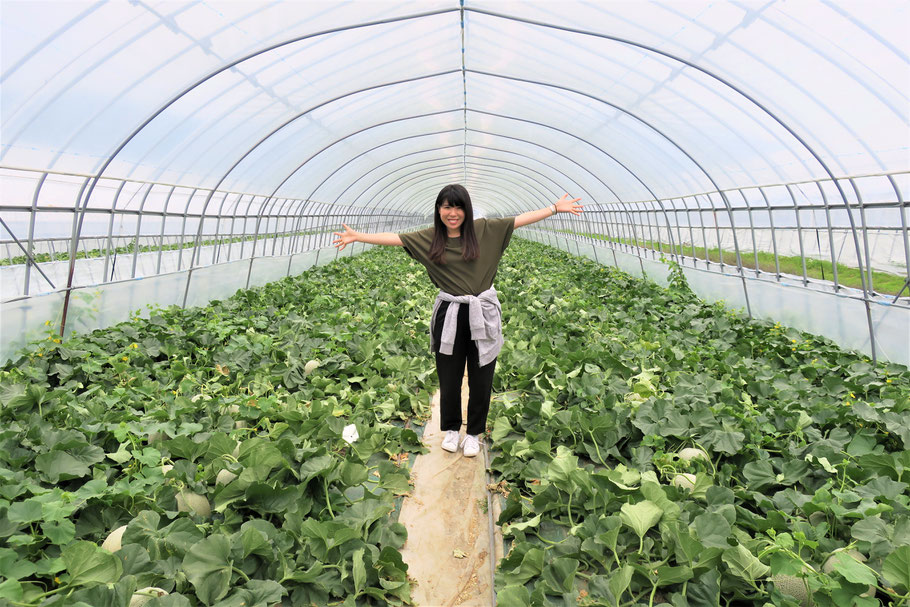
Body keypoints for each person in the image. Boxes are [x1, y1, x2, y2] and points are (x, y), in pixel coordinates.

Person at [332, 185, 582, 457]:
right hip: (449, 313)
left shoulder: (486, 230)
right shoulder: (429, 239)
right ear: (438, 210)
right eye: (446, 207)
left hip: (482, 312)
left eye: (458, 206)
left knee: (481, 376)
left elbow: (520, 219)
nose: (452, 213)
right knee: (448, 377)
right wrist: (358, 237)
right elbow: (394, 238)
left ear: (467, 209)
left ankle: (473, 434)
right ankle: (451, 430)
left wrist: (555, 208)